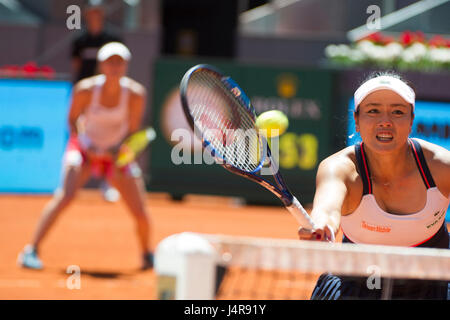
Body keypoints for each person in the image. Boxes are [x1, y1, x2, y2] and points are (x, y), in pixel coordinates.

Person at [298, 71, 450, 299]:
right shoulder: (339, 168)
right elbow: (327, 210)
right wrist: (322, 226)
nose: (385, 121)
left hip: (434, 284)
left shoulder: (441, 166)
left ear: (411, 121)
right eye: (373, 111)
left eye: (398, 112)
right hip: (358, 285)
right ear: (356, 121)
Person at [18, 42, 154, 271]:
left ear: (126, 65)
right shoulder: (85, 90)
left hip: (115, 155)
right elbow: (71, 121)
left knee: (140, 211)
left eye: (119, 62)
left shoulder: (135, 94)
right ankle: (31, 250)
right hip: (84, 150)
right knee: (66, 196)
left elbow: (132, 131)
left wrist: (116, 151)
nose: (115, 66)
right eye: (110, 61)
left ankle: (147, 254)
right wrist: (86, 146)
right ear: (101, 65)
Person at [71, 3, 122, 202]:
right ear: (87, 15)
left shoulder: (112, 39)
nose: (95, 16)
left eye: (98, 12)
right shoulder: (80, 41)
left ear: (102, 14)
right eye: (91, 12)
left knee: (110, 137)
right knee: (82, 139)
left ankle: (107, 183)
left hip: (107, 94)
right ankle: (70, 186)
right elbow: (76, 66)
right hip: (86, 97)